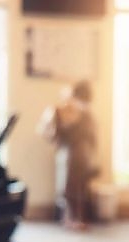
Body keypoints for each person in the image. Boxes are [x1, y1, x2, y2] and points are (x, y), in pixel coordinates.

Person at [38, 81, 99, 230]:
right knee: (69, 187)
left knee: (78, 187)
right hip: (71, 153)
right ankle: (69, 218)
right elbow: (53, 131)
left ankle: (75, 217)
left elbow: (91, 136)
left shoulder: (85, 113)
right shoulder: (66, 110)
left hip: (80, 153)